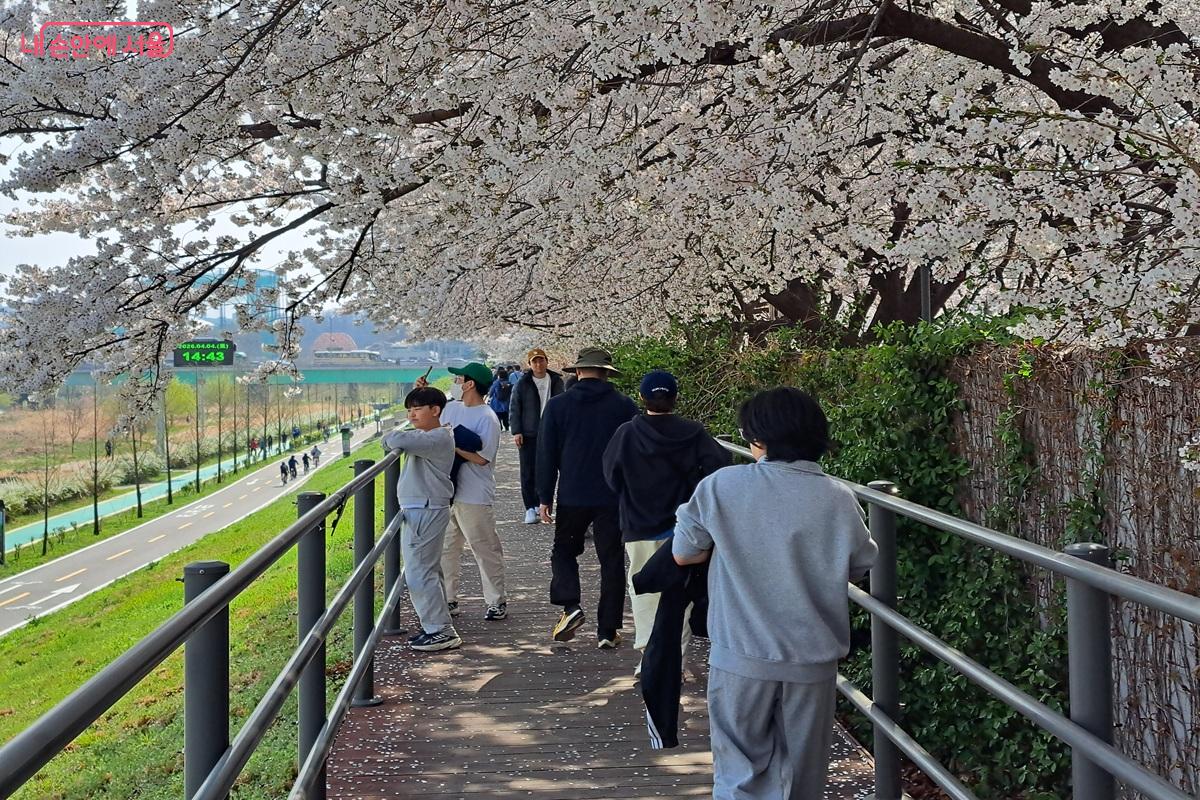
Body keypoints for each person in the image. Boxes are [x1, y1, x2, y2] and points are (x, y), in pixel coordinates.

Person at [672, 387, 878, 799]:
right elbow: (860, 564)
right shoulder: (838, 498)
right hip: (811, 660)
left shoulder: (721, 486)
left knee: (738, 772)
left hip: (741, 655)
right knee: (803, 777)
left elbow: (683, 554)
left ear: (758, 438)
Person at [602, 369, 731, 671]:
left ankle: (651, 658)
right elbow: (719, 466)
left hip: (638, 524)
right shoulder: (694, 432)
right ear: (674, 398)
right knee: (679, 595)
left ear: (642, 398)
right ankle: (675, 661)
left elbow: (611, 475)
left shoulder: (627, 433)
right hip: (684, 527)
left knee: (644, 591)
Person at [537, 347, 638, 647]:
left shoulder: (558, 406)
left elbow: (546, 455)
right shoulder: (624, 406)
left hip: (572, 492)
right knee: (611, 560)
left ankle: (571, 606)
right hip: (612, 494)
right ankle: (608, 630)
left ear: (578, 372)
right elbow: (632, 453)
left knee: (564, 551)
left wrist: (544, 496)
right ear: (607, 373)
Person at [416, 363, 508, 621]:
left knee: (484, 548)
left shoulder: (487, 417)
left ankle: (496, 601)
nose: (455, 381)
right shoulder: (452, 408)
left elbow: (482, 459)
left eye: (459, 378)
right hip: (448, 492)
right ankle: (448, 599)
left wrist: (451, 446)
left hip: (475, 494)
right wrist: (422, 394)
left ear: (469, 384)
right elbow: (428, 420)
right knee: (447, 548)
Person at [382, 386, 462, 652]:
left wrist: (395, 436)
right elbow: (396, 439)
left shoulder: (435, 438)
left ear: (435, 410)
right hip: (425, 507)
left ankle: (440, 630)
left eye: (417, 409)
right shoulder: (432, 436)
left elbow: (395, 440)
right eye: (409, 410)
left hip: (425, 508)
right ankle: (438, 627)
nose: (411, 414)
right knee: (427, 570)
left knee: (419, 572)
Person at [509, 348, 565, 524]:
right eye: (534, 361)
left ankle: (546, 505)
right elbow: (515, 407)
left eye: (541, 360)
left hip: (552, 431)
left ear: (547, 361)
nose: (538, 364)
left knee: (549, 469)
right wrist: (516, 431)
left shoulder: (556, 381)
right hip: (529, 432)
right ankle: (530, 507)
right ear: (529, 364)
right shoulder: (523, 383)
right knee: (528, 470)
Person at [487, 367, 512, 431]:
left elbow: (491, 392)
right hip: (506, 404)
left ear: (499, 376)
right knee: (505, 418)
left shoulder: (496, 383)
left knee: (498, 418)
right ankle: (507, 428)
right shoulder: (509, 383)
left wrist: (489, 396)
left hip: (496, 405)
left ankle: (500, 428)